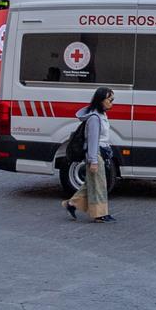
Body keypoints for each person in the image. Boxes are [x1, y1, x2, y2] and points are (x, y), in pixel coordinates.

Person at [61, 87, 116, 223]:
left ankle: (71, 204)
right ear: (101, 100)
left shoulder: (101, 115)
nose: (112, 103)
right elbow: (92, 140)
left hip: (100, 153)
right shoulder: (95, 118)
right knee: (99, 185)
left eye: (112, 100)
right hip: (96, 154)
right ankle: (100, 215)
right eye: (110, 100)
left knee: (92, 183)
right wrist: (93, 160)